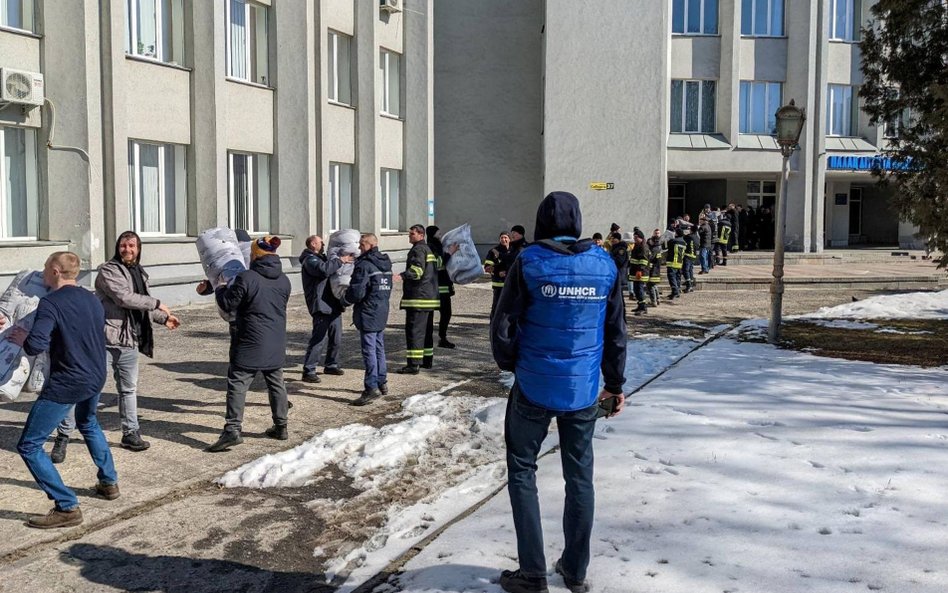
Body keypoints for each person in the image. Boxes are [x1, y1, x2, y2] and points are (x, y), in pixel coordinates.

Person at [491, 191, 626, 593]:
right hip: (583, 388)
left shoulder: (528, 261)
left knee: (522, 470)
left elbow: (503, 324)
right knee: (580, 477)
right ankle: (575, 570)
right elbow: (616, 331)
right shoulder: (603, 264)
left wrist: (511, 363)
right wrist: (615, 384)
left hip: (533, 384)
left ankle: (532, 573)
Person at [10, 252, 120, 529]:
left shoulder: (51, 303)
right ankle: (108, 483)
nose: (43, 272)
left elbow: (35, 345)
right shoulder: (91, 299)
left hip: (68, 380)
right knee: (88, 422)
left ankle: (67, 506)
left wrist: (23, 336)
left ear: (56, 271)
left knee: (29, 445)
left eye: (46, 267)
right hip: (95, 375)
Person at [50, 231, 180, 462]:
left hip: (129, 340)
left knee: (128, 389)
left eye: (132, 245)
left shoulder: (140, 272)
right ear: (117, 248)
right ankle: (63, 436)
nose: (127, 249)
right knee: (85, 388)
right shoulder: (108, 270)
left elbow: (139, 308)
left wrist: (161, 317)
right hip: (105, 341)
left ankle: (130, 433)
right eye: (123, 245)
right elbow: (124, 298)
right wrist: (159, 303)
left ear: (138, 249)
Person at [207, 236, 291, 452]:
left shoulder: (247, 278)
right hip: (276, 341)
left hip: (250, 340)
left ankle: (232, 430)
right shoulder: (284, 280)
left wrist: (220, 287)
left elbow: (227, 303)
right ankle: (281, 426)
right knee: (276, 383)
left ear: (254, 255)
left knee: (237, 383)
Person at [342, 234, 393, 406]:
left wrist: (344, 300)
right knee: (379, 347)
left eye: (362, 244)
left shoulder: (364, 265)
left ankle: (371, 388)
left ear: (370, 245)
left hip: (368, 311)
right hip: (381, 309)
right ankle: (382, 381)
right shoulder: (386, 263)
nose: (359, 247)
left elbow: (357, 291)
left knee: (369, 350)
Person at [299, 235, 353, 383]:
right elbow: (324, 270)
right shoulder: (310, 260)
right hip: (321, 304)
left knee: (336, 337)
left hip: (333, 303)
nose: (323, 244)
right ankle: (309, 370)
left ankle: (331, 364)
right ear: (313, 244)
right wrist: (341, 260)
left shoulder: (322, 257)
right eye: (320, 242)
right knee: (319, 338)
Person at [398, 224, 439, 374]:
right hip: (428, 298)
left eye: (412, 234)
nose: (409, 236)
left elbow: (417, 271)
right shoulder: (428, 249)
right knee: (426, 331)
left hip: (418, 298)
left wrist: (402, 275)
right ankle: (426, 361)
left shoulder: (418, 249)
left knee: (414, 331)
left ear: (421, 235)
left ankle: (413, 364)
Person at [426, 225, 458, 351]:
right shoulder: (431, 247)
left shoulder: (439, 246)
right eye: (439, 234)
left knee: (446, 313)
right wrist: (450, 253)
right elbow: (438, 264)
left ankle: (442, 337)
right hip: (436, 287)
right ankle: (430, 338)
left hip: (444, 286)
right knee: (432, 314)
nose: (441, 236)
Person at [484, 231, 512, 320]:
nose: (503, 240)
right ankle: (494, 325)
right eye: (502, 238)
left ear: (509, 239)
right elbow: (487, 268)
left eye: (505, 238)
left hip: (511, 285)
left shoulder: (513, 251)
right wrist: (497, 272)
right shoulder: (493, 251)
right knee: (496, 307)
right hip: (498, 285)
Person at [627, 229, 650, 315]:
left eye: (636, 237)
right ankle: (640, 305)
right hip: (635, 271)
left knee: (639, 290)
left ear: (641, 238)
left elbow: (643, 260)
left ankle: (643, 307)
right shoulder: (637, 245)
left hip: (641, 273)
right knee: (636, 290)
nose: (634, 239)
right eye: (634, 237)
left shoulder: (643, 246)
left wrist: (640, 270)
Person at [665, 228, 686, 300]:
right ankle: (676, 292)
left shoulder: (673, 241)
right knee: (677, 278)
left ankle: (675, 291)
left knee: (671, 278)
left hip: (672, 262)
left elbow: (665, 246)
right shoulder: (684, 242)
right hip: (680, 263)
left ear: (676, 233)